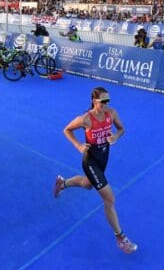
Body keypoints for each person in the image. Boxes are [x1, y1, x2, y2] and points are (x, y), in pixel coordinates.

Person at [53, 87, 138, 254]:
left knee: (87, 184)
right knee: (110, 199)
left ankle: (63, 183)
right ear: (94, 101)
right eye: (103, 101)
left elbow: (122, 129)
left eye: (108, 101)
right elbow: (66, 130)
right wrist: (78, 145)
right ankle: (120, 238)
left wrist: (116, 137)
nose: (106, 104)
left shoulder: (112, 114)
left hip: (103, 158)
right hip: (90, 160)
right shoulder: (85, 119)